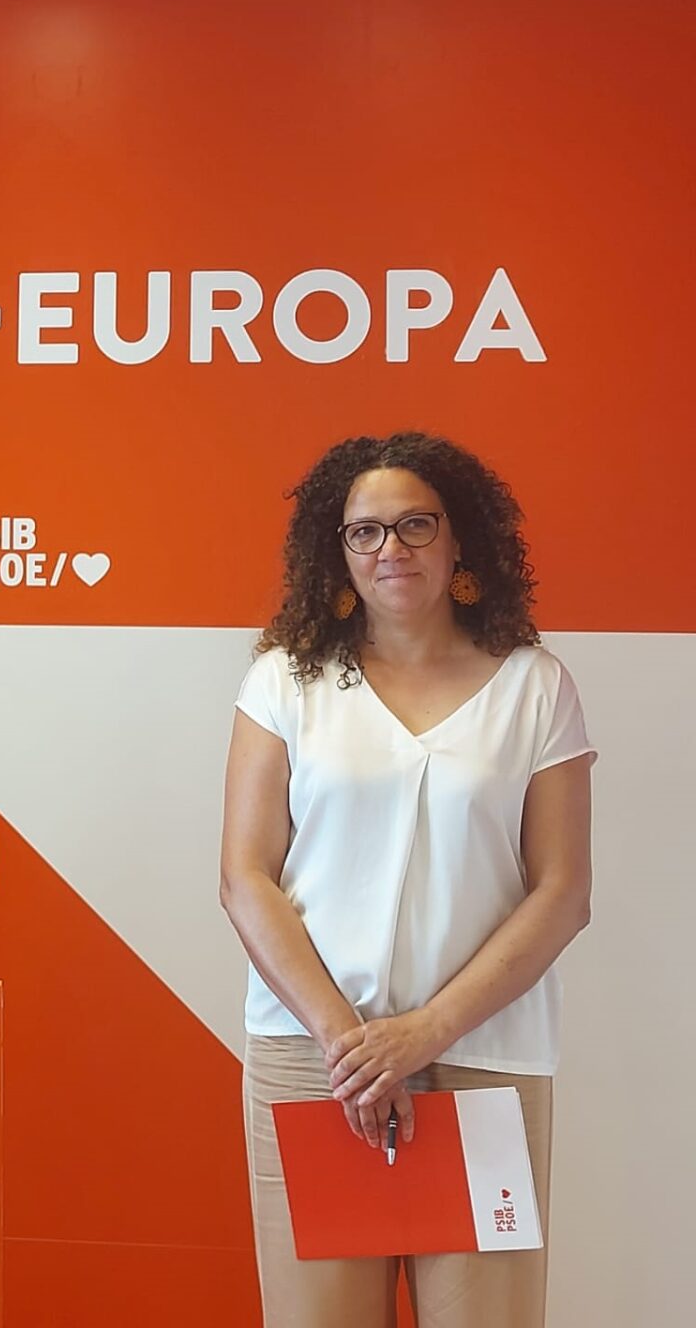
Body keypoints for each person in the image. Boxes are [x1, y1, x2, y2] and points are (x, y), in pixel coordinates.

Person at [219, 431, 594, 1327]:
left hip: (480, 1057)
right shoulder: (286, 683)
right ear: (338, 551)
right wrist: (350, 1044)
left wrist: (423, 1032)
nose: (391, 548)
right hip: (317, 1062)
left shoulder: (536, 688)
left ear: (459, 537)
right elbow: (245, 876)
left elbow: (562, 891)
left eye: (416, 525)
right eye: (366, 531)